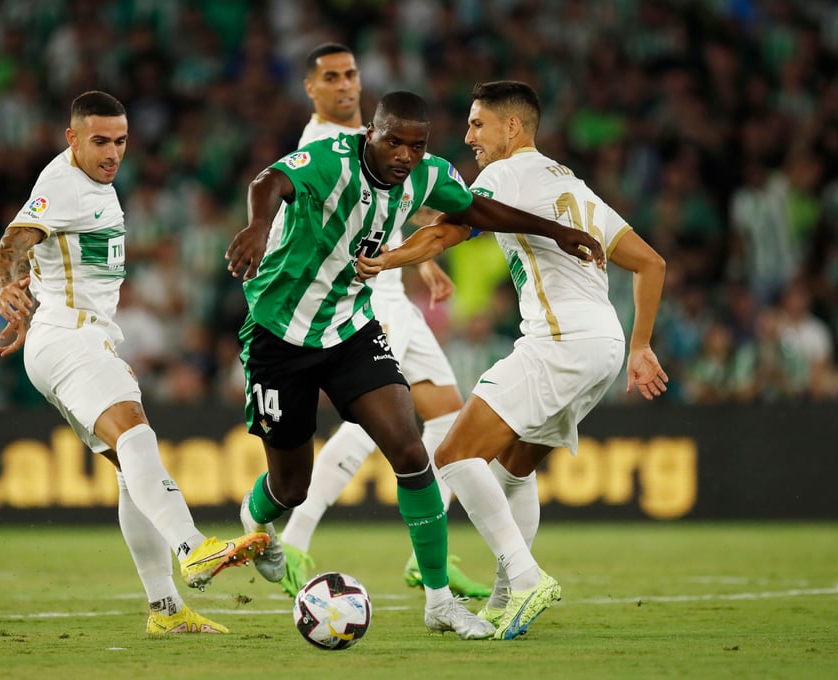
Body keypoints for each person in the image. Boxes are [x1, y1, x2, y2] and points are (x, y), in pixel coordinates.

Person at [226, 90, 603, 640]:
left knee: (410, 451)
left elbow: (474, 210)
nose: (405, 155)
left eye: (417, 145)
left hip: (350, 329)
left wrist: (555, 230)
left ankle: (438, 601)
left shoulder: (428, 175)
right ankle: (257, 517)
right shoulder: (331, 159)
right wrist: (259, 226)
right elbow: (270, 181)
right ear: (371, 134)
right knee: (291, 486)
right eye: (394, 142)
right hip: (278, 337)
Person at [356, 81, 668, 640]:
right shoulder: (570, 183)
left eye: (478, 124)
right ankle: (506, 602)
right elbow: (651, 263)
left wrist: (389, 258)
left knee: (453, 456)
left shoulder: (505, 175)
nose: (469, 136)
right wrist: (641, 345)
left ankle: (526, 579)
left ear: (513, 127)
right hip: (603, 344)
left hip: (559, 340)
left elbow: (445, 232)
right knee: (515, 470)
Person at [0, 91, 269, 636]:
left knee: (128, 468)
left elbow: (44, 252)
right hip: (68, 336)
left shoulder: (94, 183)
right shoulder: (65, 184)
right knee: (138, 436)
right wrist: (7, 286)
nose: (113, 152)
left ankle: (166, 610)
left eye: (120, 141)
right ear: (72, 139)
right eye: (100, 141)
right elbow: (12, 243)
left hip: (70, 336)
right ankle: (193, 547)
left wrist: (29, 297)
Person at [272, 43, 489, 599]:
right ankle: (295, 537)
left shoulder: (379, 141)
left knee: (447, 413)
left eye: (351, 74)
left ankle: (424, 553)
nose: (345, 84)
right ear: (311, 88)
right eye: (331, 77)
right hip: (361, 295)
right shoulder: (322, 143)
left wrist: (425, 259)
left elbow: (392, 200)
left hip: (391, 287)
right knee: (376, 417)